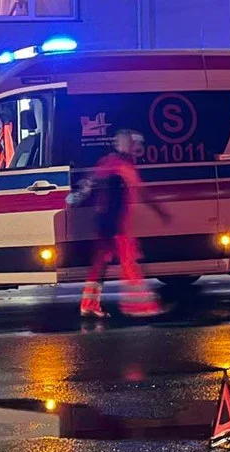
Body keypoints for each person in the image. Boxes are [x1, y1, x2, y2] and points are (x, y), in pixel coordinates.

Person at [68, 130, 171, 318]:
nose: (138, 149)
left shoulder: (110, 163)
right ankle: (141, 306)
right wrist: (161, 212)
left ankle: (88, 304)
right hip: (118, 225)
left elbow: (90, 183)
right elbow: (141, 194)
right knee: (129, 264)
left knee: (99, 265)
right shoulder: (121, 166)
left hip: (106, 223)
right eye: (134, 145)